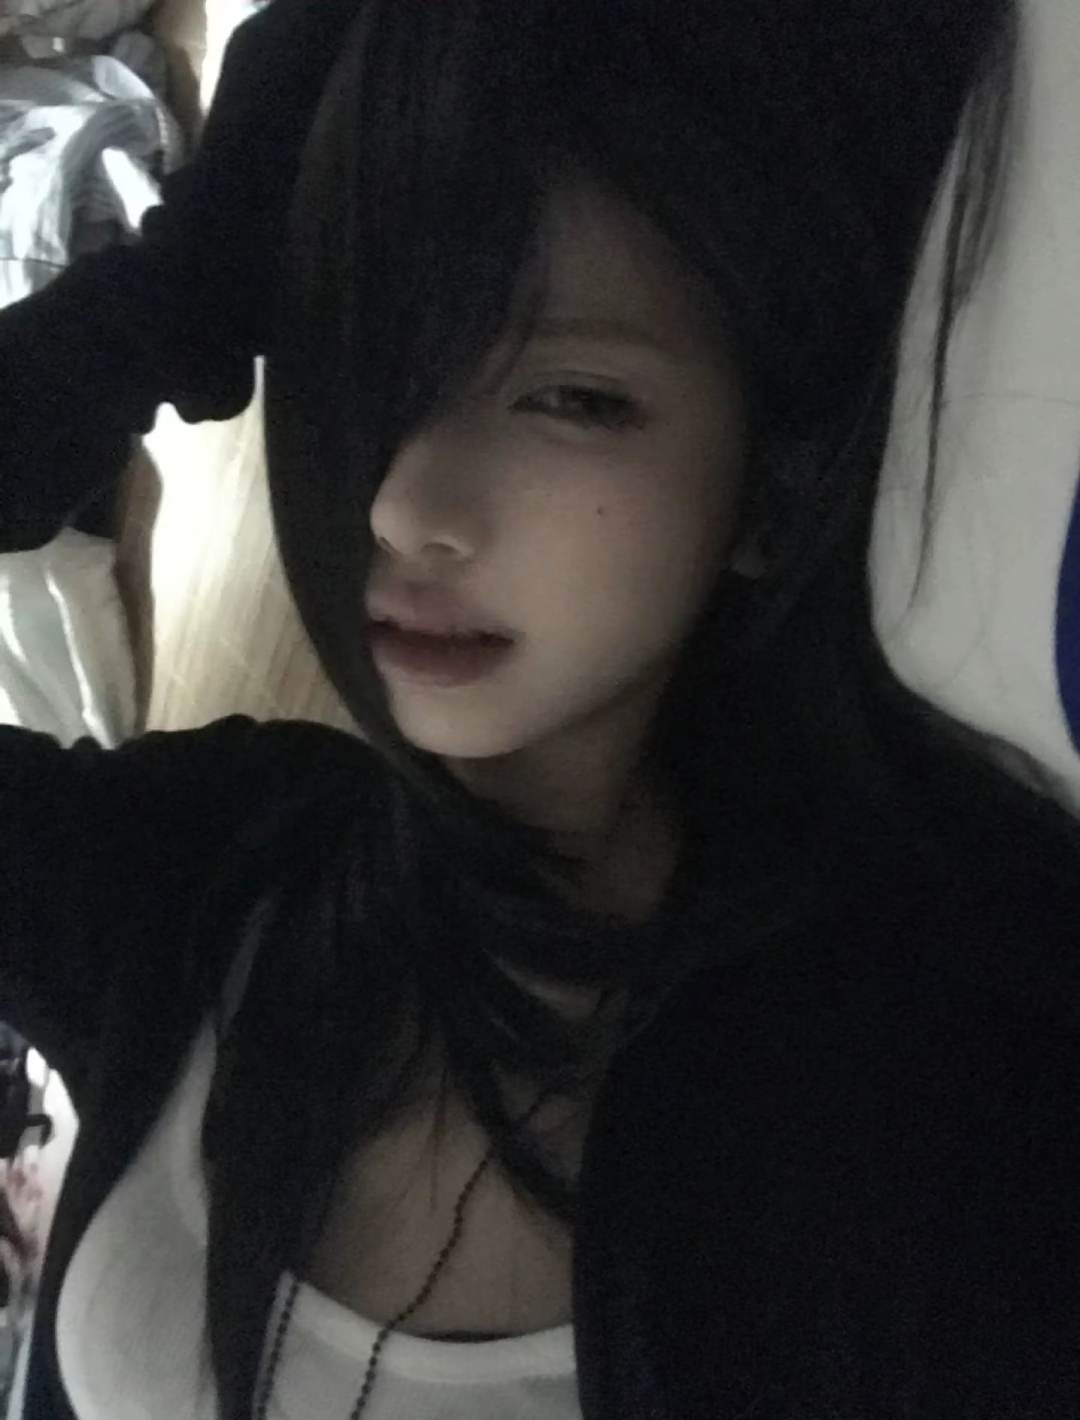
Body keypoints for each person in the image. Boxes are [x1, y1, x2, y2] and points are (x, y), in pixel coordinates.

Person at [2, 2, 1080, 1418]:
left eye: (570, 398)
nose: (405, 506)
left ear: (773, 478)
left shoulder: (949, 1104)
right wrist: (180, 289)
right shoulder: (206, 873)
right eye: (375, 368)